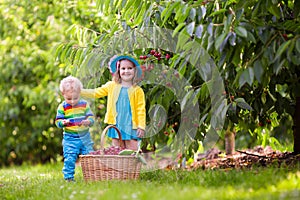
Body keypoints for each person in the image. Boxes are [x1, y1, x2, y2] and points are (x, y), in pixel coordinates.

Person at [81, 55, 146, 150]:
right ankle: (118, 165)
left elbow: (141, 109)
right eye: (123, 68)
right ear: (118, 70)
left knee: (132, 150)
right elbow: (96, 92)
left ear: (135, 71)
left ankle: (131, 165)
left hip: (131, 124)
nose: (126, 71)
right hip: (116, 123)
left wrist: (141, 126)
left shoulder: (138, 90)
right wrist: (79, 91)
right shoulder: (112, 86)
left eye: (130, 68)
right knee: (117, 150)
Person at [55, 76, 95, 182]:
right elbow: (58, 122)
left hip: (85, 138)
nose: (72, 101)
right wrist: (63, 122)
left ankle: (91, 176)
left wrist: (88, 121)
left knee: (90, 156)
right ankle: (69, 178)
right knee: (69, 158)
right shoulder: (62, 107)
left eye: (75, 98)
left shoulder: (84, 104)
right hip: (70, 139)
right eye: (69, 99)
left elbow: (91, 118)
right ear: (63, 95)